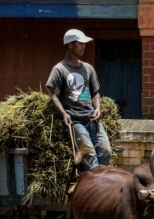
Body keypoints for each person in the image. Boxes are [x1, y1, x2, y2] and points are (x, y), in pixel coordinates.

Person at [46, 29, 112, 170]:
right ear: (70, 45)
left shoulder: (88, 68)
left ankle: (101, 178)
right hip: (75, 121)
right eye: (80, 43)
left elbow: (95, 93)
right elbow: (54, 96)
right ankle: (95, 181)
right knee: (89, 153)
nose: (84, 46)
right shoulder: (59, 69)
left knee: (106, 151)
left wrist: (97, 109)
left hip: (92, 120)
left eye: (84, 44)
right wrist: (64, 114)